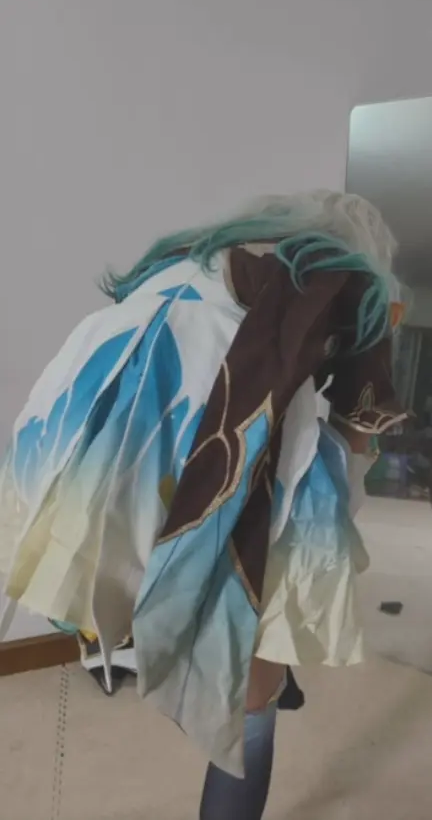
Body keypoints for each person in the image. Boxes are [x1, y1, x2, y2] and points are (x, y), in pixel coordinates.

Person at [0, 190, 408, 819]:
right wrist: (332, 523)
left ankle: (203, 657)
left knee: (149, 574)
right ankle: (252, 697)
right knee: (253, 692)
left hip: (94, 439)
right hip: (209, 449)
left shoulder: (188, 258)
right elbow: (358, 429)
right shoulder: (347, 280)